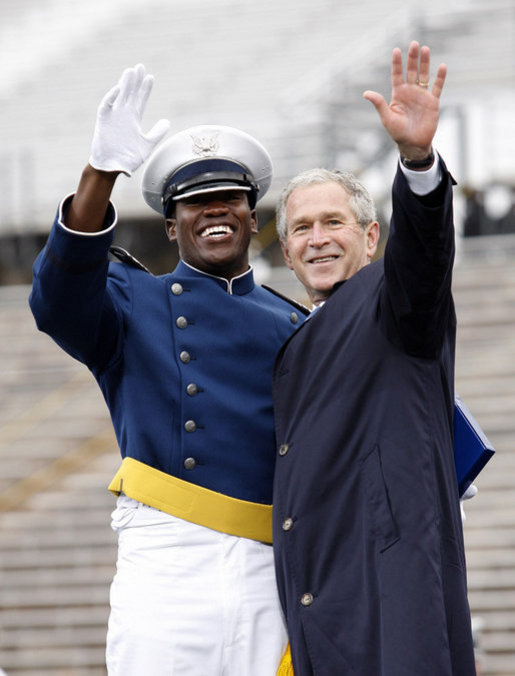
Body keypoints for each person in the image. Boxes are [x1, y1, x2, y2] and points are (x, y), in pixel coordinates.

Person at [29, 64, 307, 675]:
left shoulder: (298, 325)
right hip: (168, 556)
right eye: (193, 203)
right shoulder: (134, 302)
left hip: (271, 558)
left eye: (229, 199)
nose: (214, 212)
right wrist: (99, 173)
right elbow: (55, 301)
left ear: (251, 214)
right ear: (170, 222)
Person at [272, 42, 476, 675]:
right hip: (322, 589)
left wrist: (416, 162)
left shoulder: (395, 302)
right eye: (302, 229)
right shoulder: (294, 333)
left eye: (333, 222)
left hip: (391, 589)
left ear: (370, 237)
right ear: (286, 253)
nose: (318, 239)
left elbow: (423, 256)